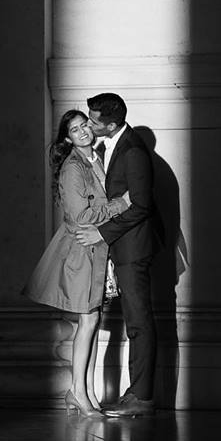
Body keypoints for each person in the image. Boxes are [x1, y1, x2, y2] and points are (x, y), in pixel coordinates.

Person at [23, 109, 129, 419]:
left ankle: (88, 394)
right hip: (80, 253)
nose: (82, 131)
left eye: (84, 125)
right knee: (88, 323)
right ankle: (77, 393)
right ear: (67, 138)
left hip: (96, 250)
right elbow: (80, 216)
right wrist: (123, 203)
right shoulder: (72, 167)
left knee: (92, 323)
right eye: (74, 129)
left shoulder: (95, 158)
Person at [75, 93, 164, 417]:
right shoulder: (115, 144)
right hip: (123, 246)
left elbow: (141, 205)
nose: (89, 123)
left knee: (138, 322)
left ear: (111, 124)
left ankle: (142, 396)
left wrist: (101, 233)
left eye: (94, 120)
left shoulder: (134, 151)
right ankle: (135, 393)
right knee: (134, 321)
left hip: (133, 248)